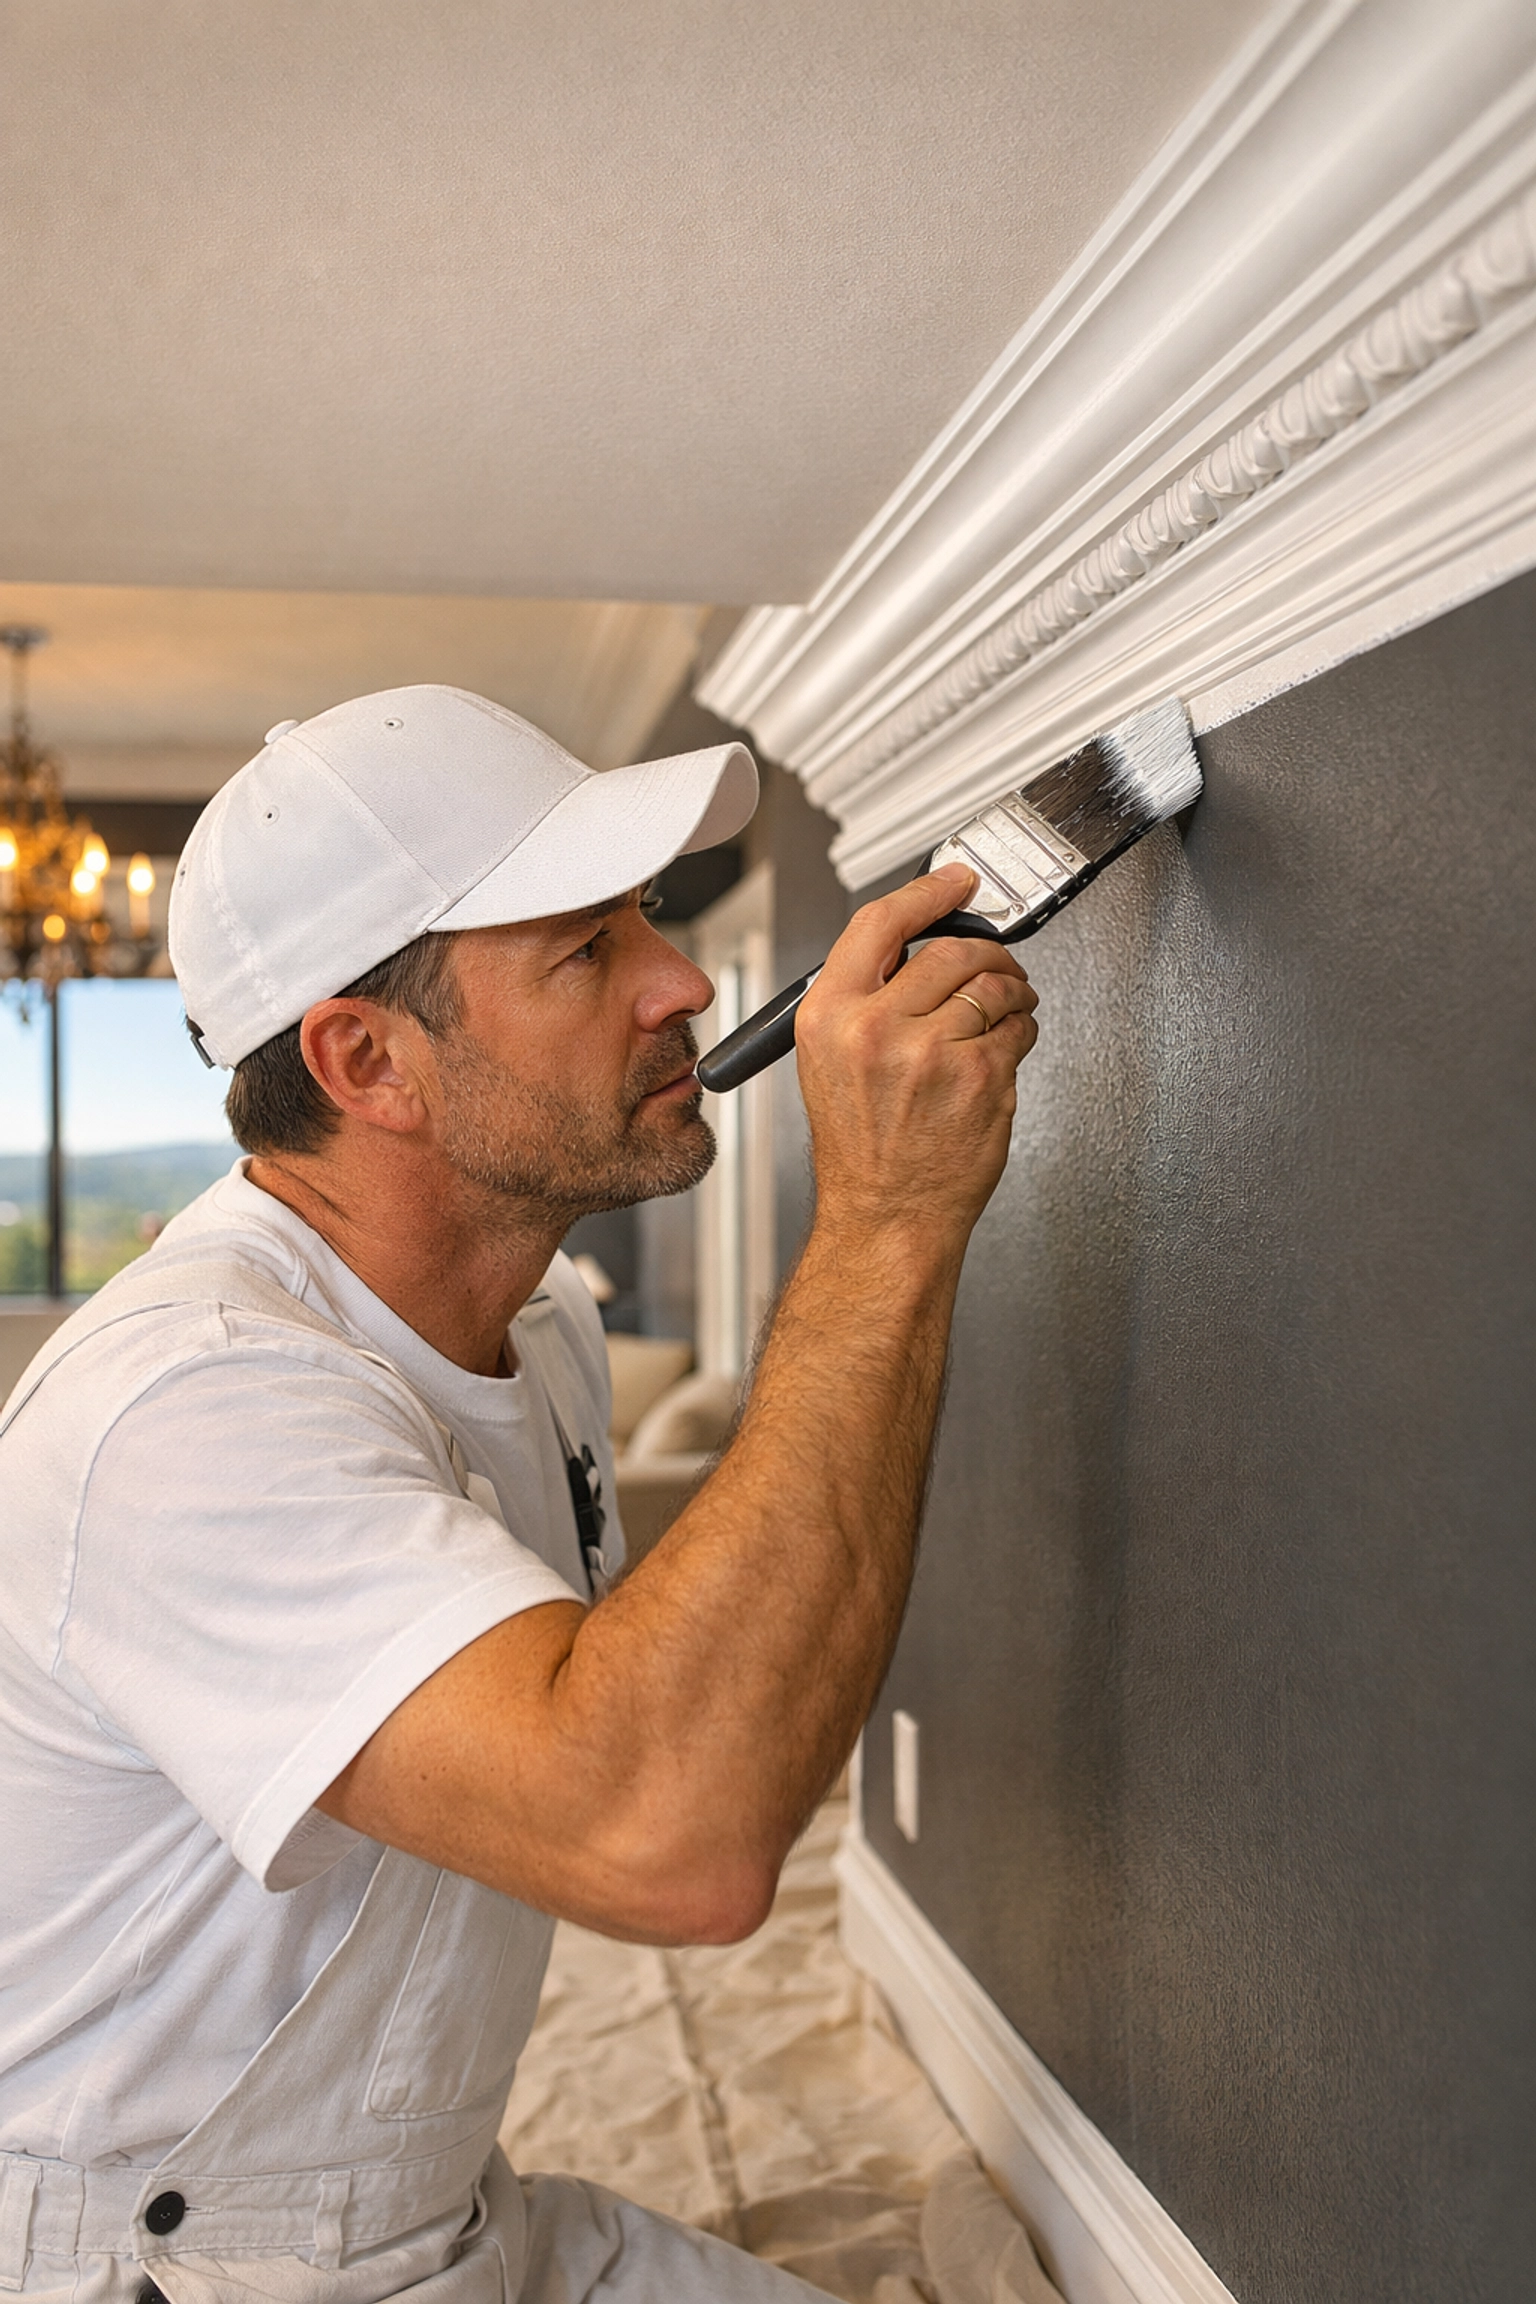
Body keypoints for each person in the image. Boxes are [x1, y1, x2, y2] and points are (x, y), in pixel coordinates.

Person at [0, 687, 1038, 2304]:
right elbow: (668, 1837)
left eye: (648, 921)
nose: (684, 983)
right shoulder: (188, 1410)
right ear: (367, 1061)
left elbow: (643, 1712)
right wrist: (889, 1218)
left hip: (425, 2218)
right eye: (585, 951)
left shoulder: (537, 1325)